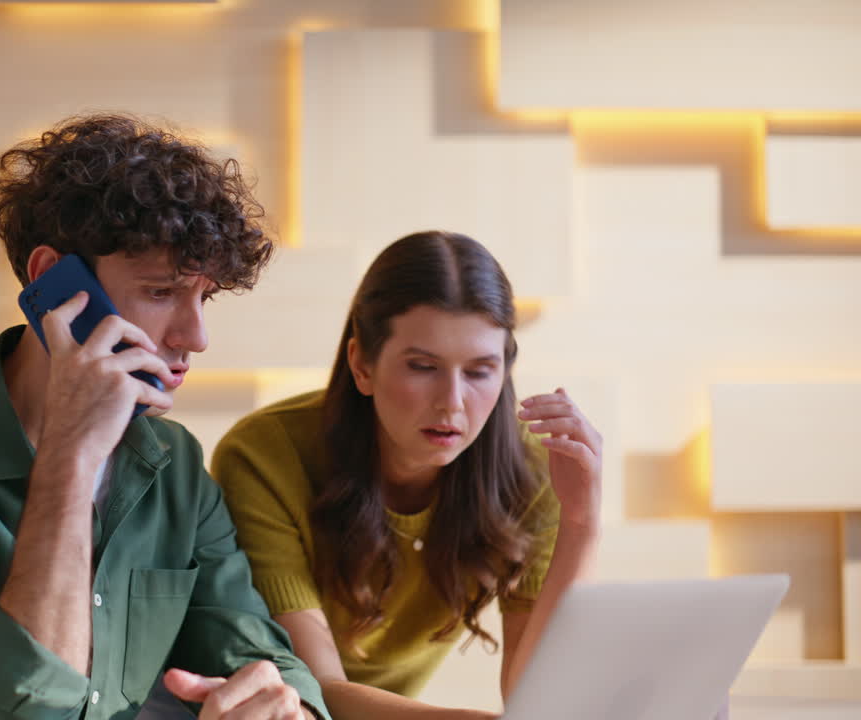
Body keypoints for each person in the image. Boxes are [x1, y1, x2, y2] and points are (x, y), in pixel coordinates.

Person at [0, 114, 329, 720]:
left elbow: (262, 656)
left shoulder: (173, 464)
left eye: (202, 298)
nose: (196, 337)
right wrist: (71, 459)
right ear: (54, 282)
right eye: (161, 293)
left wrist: (286, 710)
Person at [211, 231, 604, 720]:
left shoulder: (532, 471)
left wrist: (582, 521)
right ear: (362, 364)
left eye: (481, 371)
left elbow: (537, 699)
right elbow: (316, 689)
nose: (453, 402)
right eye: (423, 367)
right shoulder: (263, 457)